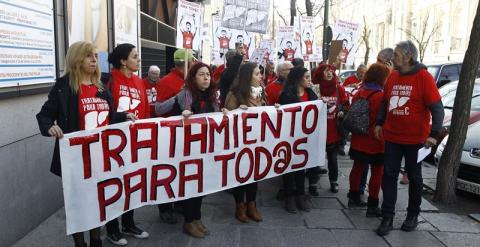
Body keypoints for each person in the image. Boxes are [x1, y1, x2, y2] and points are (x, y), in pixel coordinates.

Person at [36, 41, 136, 247]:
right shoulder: (64, 87)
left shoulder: (101, 87)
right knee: (79, 206)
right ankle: (80, 244)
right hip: (76, 160)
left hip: (101, 157)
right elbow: (44, 115)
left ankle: (96, 241)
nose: (94, 60)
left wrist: (123, 116)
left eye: (94, 56)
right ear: (76, 59)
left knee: (98, 203)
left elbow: (106, 118)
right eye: (88, 56)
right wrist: (49, 127)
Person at [374, 41, 444, 236]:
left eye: (396, 55)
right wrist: (380, 122)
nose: (392, 58)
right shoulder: (393, 76)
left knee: (414, 177)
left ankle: (412, 215)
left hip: (415, 141)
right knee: (388, 176)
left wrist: (433, 134)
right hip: (393, 138)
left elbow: (437, 108)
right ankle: (387, 216)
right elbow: (385, 102)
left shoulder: (424, 77)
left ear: (408, 57)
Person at [156, 62, 220, 238]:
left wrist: (225, 113)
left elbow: (216, 118)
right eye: (201, 74)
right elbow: (159, 108)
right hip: (185, 150)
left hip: (204, 149)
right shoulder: (185, 94)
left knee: (200, 185)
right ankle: (189, 221)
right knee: (190, 185)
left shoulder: (212, 97)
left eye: (208, 74)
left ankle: (197, 218)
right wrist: (179, 113)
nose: (206, 77)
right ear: (193, 78)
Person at [106, 43, 150, 245]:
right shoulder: (109, 80)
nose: (138, 59)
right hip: (114, 144)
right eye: (134, 56)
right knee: (113, 186)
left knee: (132, 183)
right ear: (123, 61)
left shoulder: (140, 81)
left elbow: (146, 111)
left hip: (136, 141)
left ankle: (129, 223)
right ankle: (112, 228)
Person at [347, 63, 391, 218]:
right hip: (375, 139)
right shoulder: (381, 96)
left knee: (357, 167)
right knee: (377, 171)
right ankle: (372, 205)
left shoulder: (359, 92)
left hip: (359, 137)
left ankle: (353, 196)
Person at [224, 62, 264, 223]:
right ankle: (240, 206)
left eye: (260, 73)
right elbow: (226, 118)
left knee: (254, 176)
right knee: (241, 175)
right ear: (248, 77)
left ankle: (252, 205)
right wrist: (236, 112)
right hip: (240, 143)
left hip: (257, 141)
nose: (260, 76)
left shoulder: (262, 93)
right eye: (256, 74)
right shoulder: (235, 94)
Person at [278, 66, 317, 213]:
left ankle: (300, 195)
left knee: (301, 167)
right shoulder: (287, 95)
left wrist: (323, 104)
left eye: (310, 77)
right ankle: (289, 197)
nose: (309, 80)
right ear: (298, 78)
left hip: (305, 138)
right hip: (289, 137)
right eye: (307, 77)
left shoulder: (311, 94)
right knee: (288, 168)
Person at [312, 64, 349, 193]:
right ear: (320, 74)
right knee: (315, 159)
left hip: (333, 130)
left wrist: (343, 112)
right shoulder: (315, 89)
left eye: (331, 71)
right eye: (326, 71)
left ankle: (334, 181)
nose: (329, 73)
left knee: (333, 159)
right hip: (317, 131)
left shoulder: (339, 88)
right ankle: (313, 183)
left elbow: (346, 104)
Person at [156, 49, 195, 116]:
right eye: (193, 61)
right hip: (175, 124)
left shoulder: (191, 80)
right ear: (188, 63)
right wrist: (179, 97)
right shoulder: (166, 81)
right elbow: (159, 109)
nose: (194, 63)